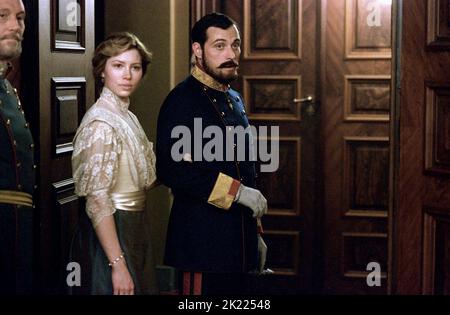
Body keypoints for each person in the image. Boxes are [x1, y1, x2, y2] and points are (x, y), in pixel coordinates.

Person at [156, 12, 268, 295]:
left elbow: (244, 166)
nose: (231, 53)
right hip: (201, 243)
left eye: (236, 45)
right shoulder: (182, 100)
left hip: (238, 243)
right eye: (219, 46)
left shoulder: (234, 98)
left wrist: (255, 233)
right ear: (197, 50)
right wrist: (239, 193)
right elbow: (173, 171)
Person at [72, 32, 157, 295]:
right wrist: (117, 265)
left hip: (133, 228)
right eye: (118, 66)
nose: (127, 75)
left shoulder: (127, 116)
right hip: (112, 232)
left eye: (135, 67)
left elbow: (143, 177)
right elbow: (97, 199)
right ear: (102, 71)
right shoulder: (101, 123)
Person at [0, 0, 36, 295]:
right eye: (2, 16)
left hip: (15, 232)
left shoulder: (7, 86)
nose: (15, 26)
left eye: (20, 18)